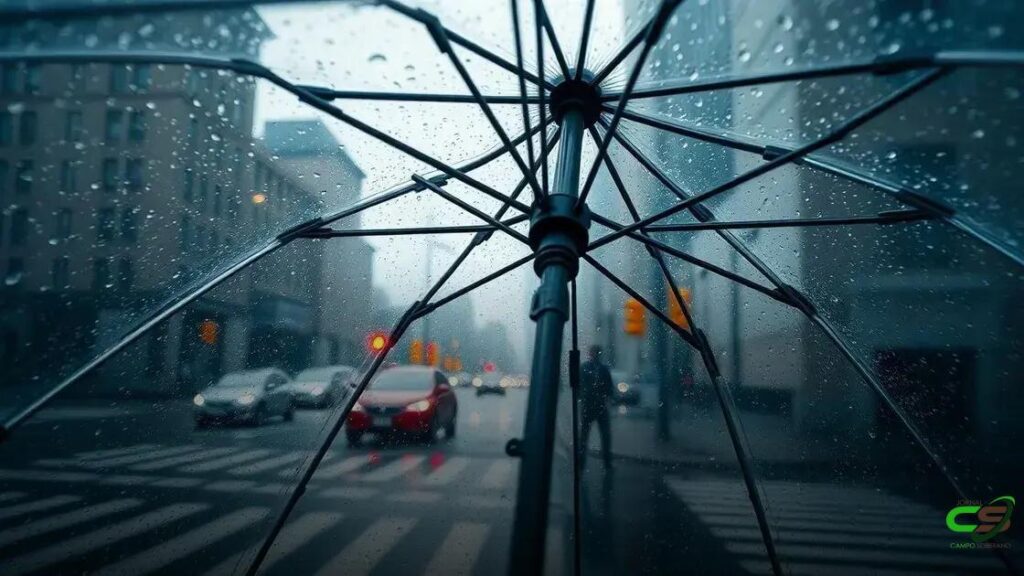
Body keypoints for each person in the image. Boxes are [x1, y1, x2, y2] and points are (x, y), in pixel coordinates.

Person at [579, 344, 613, 469]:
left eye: (596, 352)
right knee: (584, 436)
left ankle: (606, 463)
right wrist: (582, 398)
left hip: (599, 405)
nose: (595, 355)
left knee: (605, 435)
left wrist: (607, 397)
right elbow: (579, 385)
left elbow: (609, 386)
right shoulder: (585, 367)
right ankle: (581, 462)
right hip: (589, 405)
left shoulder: (603, 369)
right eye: (593, 352)